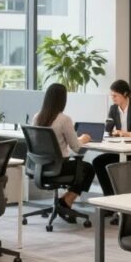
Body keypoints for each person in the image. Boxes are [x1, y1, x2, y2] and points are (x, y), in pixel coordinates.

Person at [32, 83, 96, 211]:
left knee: (81, 168)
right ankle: (67, 200)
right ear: (62, 100)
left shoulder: (37, 117)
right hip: (58, 167)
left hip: (40, 166)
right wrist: (83, 139)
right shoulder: (64, 119)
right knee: (89, 169)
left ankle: (64, 200)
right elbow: (76, 148)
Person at [93, 80, 131, 196]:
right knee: (98, 162)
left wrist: (123, 133)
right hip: (122, 150)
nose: (113, 98)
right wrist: (110, 132)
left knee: (112, 164)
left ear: (125, 94)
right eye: (111, 95)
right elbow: (108, 129)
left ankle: (119, 196)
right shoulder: (113, 109)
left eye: (115, 95)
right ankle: (110, 196)